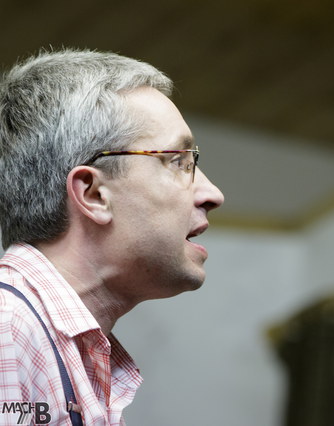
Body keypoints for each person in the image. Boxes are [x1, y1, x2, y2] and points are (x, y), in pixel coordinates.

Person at [0, 49, 224, 424]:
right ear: (93, 194)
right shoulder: (8, 330)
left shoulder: (62, 348)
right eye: (179, 161)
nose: (212, 194)